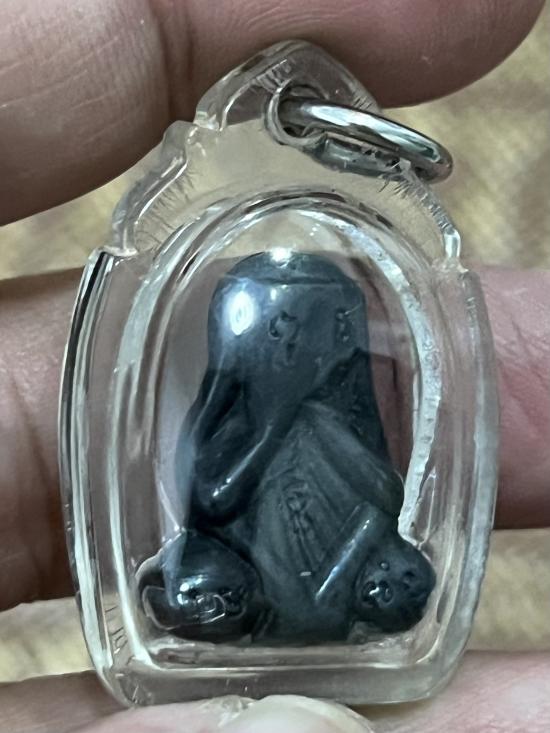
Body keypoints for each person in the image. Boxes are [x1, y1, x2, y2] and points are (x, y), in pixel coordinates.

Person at [0, 1, 548, 731]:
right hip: (247, 561)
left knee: (404, 581)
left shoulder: (347, 409)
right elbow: (212, 497)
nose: (295, 346)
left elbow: (386, 491)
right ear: (243, 341)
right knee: (198, 586)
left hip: (342, 560)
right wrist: (270, 421)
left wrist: (342, 474)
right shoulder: (235, 410)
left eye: (316, 331)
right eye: (279, 331)